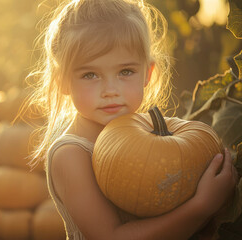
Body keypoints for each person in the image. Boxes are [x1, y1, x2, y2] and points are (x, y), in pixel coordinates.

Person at [22, 0, 238, 239]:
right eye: (90, 74)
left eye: (125, 71)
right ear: (62, 80)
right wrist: (201, 207)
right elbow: (112, 236)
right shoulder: (71, 154)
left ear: (147, 73)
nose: (110, 90)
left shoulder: (153, 135)